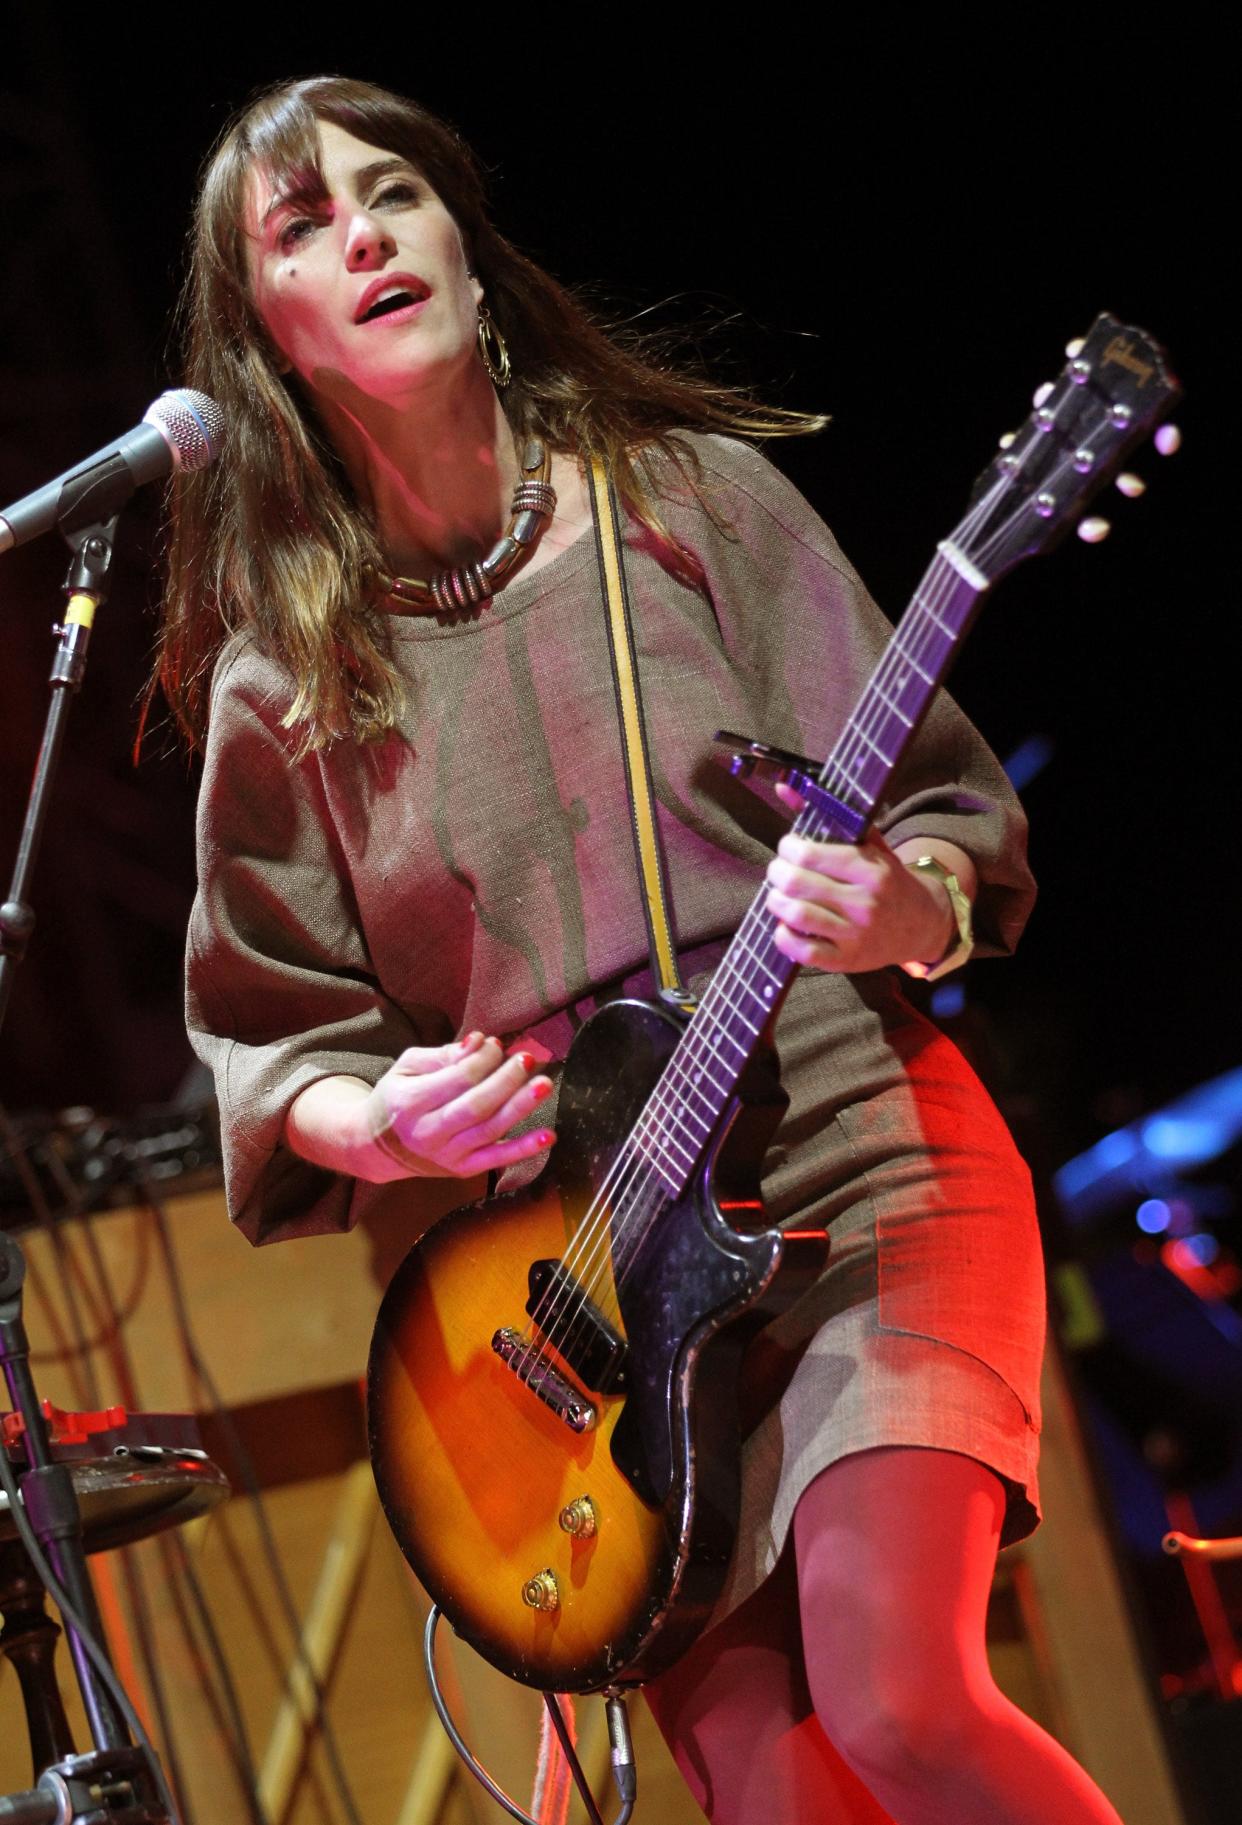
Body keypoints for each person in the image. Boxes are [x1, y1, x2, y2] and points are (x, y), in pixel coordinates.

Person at [157, 76, 1123, 1825]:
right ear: (266, 335)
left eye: (397, 194)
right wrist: (369, 1121)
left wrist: (910, 901)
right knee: (766, 1789)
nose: (368, 234)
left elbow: (942, 820)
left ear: (466, 241)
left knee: (897, 1698)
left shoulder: (690, 502)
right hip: (580, 1281)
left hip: (845, 1147)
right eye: (305, 227)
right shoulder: (279, 683)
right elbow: (266, 1026)